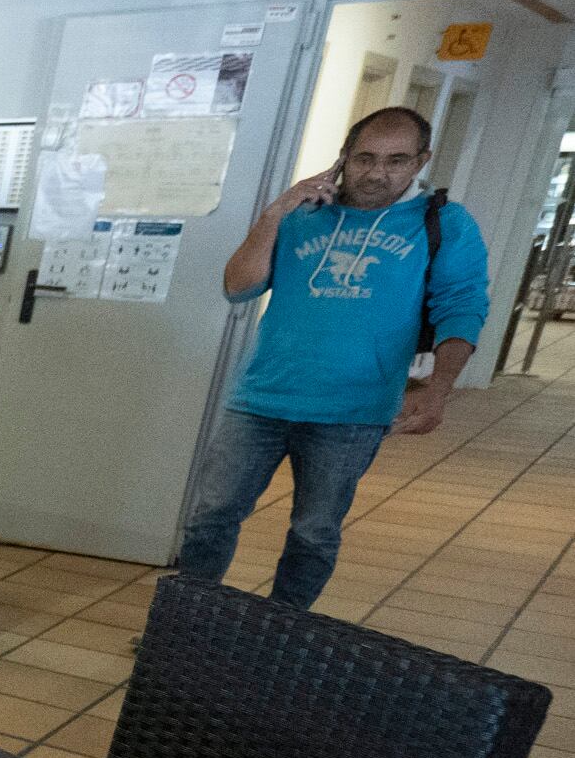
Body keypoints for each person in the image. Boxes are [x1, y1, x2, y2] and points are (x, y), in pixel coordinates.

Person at [178, 106, 491, 609]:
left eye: (395, 160)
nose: (377, 172)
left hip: (353, 411)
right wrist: (273, 213)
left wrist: (437, 392)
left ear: (420, 161)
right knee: (210, 516)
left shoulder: (443, 223)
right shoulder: (305, 215)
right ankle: (185, 626)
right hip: (261, 397)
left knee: (313, 534)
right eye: (364, 158)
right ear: (344, 157)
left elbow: (463, 308)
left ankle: (283, 635)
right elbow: (238, 287)